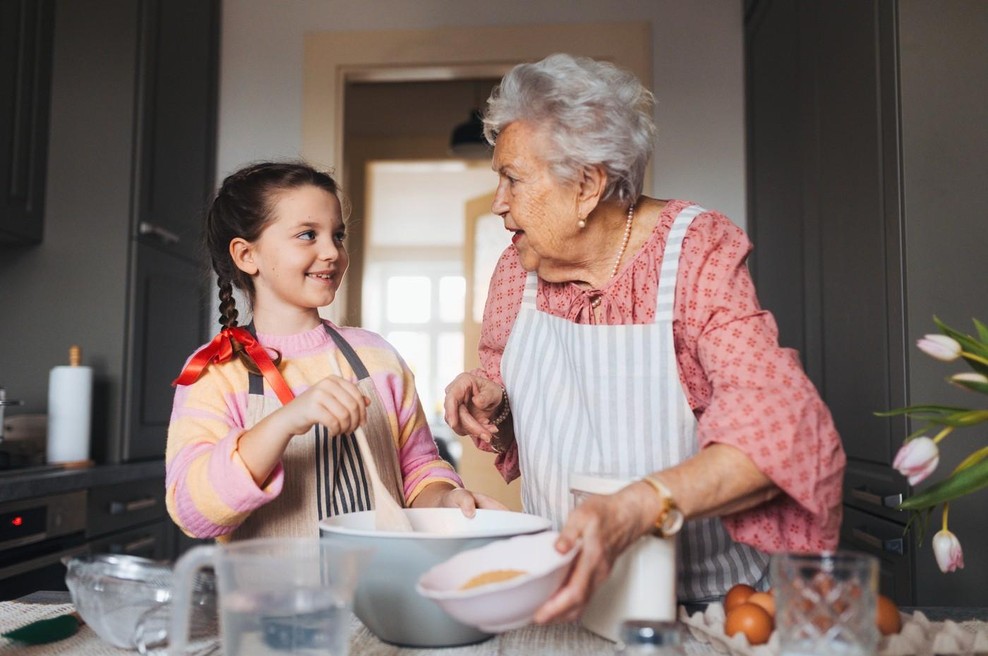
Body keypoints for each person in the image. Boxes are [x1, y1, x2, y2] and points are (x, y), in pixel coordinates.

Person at [443, 54, 845, 623]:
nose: (498, 202)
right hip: (565, 597)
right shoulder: (519, 268)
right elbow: (539, 424)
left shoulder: (694, 252)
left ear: (586, 186)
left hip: (702, 607)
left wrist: (637, 506)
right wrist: (496, 405)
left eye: (512, 178)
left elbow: (778, 428)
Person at [167, 161, 502, 540]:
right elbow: (194, 513)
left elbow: (419, 469)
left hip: (379, 577)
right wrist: (285, 421)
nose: (332, 252)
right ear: (247, 255)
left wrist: (445, 500)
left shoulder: (378, 357)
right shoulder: (215, 373)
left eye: (337, 235)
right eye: (308, 235)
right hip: (268, 581)